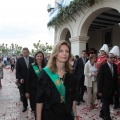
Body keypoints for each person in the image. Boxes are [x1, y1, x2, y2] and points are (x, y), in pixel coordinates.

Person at [36, 40, 77, 120]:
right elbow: (39, 100)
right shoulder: (45, 73)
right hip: (49, 116)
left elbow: (73, 98)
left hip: (67, 116)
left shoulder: (71, 73)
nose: (64, 54)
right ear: (55, 53)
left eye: (67, 51)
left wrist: (75, 116)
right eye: (61, 51)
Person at [97, 53, 118, 120]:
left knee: (107, 103)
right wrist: (99, 90)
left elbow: (115, 79)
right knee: (106, 105)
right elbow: (99, 79)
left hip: (112, 89)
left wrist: (115, 89)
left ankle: (101, 113)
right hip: (104, 89)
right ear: (107, 58)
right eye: (111, 58)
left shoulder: (115, 66)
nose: (113, 59)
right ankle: (107, 118)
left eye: (113, 58)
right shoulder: (103, 67)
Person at [16, 47, 34, 112]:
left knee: (32, 94)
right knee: (23, 94)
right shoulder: (19, 60)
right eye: (24, 53)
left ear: (28, 52)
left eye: (26, 53)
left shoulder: (32, 59)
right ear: (22, 53)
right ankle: (25, 106)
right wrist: (20, 78)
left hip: (31, 80)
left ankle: (32, 106)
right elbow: (17, 71)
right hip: (23, 80)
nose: (25, 54)